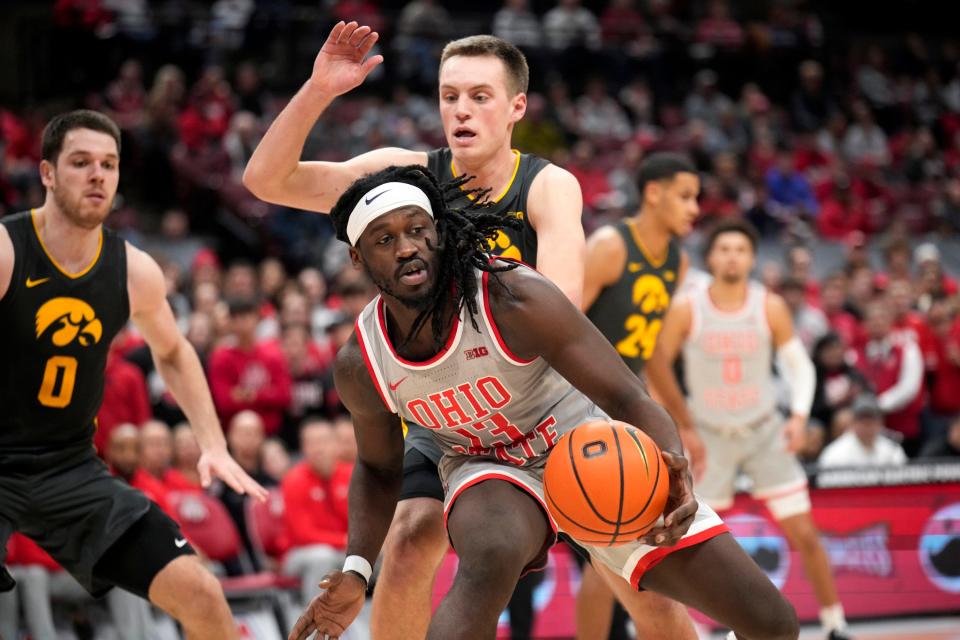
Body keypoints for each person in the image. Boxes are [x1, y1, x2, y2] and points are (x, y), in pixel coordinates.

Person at [286, 165, 799, 640]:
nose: (406, 248)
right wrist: (356, 569)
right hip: (489, 467)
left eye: (418, 229)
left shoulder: (513, 296)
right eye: (384, 239)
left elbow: (624, 394)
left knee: (773, 623)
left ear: (439, 231)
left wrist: (671, 466)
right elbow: (378, 470)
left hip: (588, 448)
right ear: (357, 258)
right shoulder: (361, 362)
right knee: (489, 555)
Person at [243, 21, 586, 639]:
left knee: (634, 569)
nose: (461, 109)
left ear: (516, 108)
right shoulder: (404, 181)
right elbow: (267, 181)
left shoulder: (546, 186)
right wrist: (319, 90)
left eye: (480, 96)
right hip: (451, 410)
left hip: (543, 411)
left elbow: (563, 310)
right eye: (449, 95)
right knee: (406, 541)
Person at [0, 110, 267, 639]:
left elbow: (173, 352)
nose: (98, 175)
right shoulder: (7, 250)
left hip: (69, 467)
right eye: (81, 163)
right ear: (48, 173)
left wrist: (212, 443)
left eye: (109, 164)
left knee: (201, 593)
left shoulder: (133, 270)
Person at [646, 218, 851, 640]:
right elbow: (656, 366)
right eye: (723, 249)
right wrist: (680, 426)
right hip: (708, 435)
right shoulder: (689, 307)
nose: (732, 256)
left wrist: (797, 416)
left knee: (805, 533)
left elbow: (800, 365)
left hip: (763, 432)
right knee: (689, 542)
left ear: (753, 258)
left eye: (740, 249)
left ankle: (834, 623)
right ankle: (698, 630)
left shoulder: (768, 305)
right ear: (711, 257)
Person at [579, 152, 706, 639]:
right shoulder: (611, 246)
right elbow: (558, 323)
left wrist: (683, 421)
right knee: (607, 546)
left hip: (626, 407)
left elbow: (651, 352)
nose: (695, 208)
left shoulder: (678, 258)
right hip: (582, 406)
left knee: (614, 545)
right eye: (685, 196)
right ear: (653, 194)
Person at [819, 395, 908, 468]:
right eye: (862, 421)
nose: (867, 426)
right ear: (853, 423)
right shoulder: (834, 453)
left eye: (871, 421)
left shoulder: (892, 451)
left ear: (880, 423)